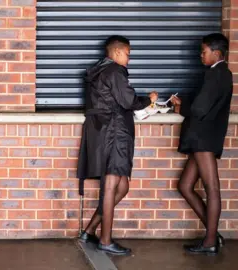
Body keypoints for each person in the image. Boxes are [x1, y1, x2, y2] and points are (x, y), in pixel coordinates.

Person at [77, 35, 158, 256]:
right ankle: (105, 240)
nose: (129, 60)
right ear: (118, 52)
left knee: (122, 187)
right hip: (114, 133)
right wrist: (149, 100)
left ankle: (90, 230)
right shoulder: (114, 71)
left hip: (104, 132)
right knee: (112, 186)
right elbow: (128, 101)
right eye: (128, 55)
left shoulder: (98, 71)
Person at [170, 33, 232, 255]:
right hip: (202, 138)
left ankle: (210, 242)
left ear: (216, 52)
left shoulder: (215, 75)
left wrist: (181, 108)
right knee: (185, 186)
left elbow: (198, 109)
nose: (200, 55)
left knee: (211, 188)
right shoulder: (220, 74)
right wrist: (185, 102)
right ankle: (213, 235)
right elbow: (202, 103)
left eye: (203, 51)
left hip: (204, 138)